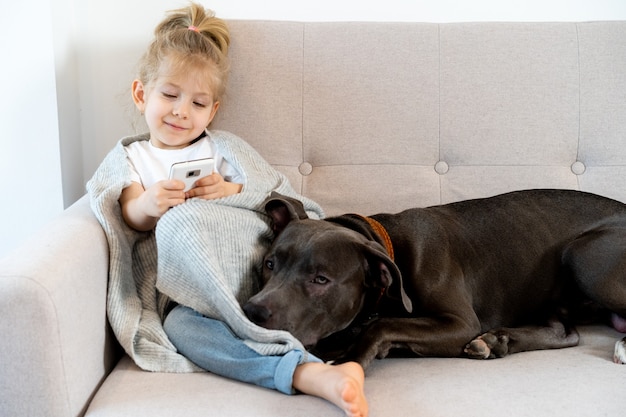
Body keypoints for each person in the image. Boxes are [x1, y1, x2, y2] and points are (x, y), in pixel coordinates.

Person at [116, 3, 368, 416]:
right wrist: (148, 204)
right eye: (169, 95)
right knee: (180, 327)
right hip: (193, 295)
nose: (181, 111)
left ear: (212, 111)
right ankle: (309, 373)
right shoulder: (133, 158)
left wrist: (231, 190)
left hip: (255, 279)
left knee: (190, 221)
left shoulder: (224, 150)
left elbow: (289, 204)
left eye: (198, 103)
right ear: (141, 94)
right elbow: (128, 215)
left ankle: (285, 352)